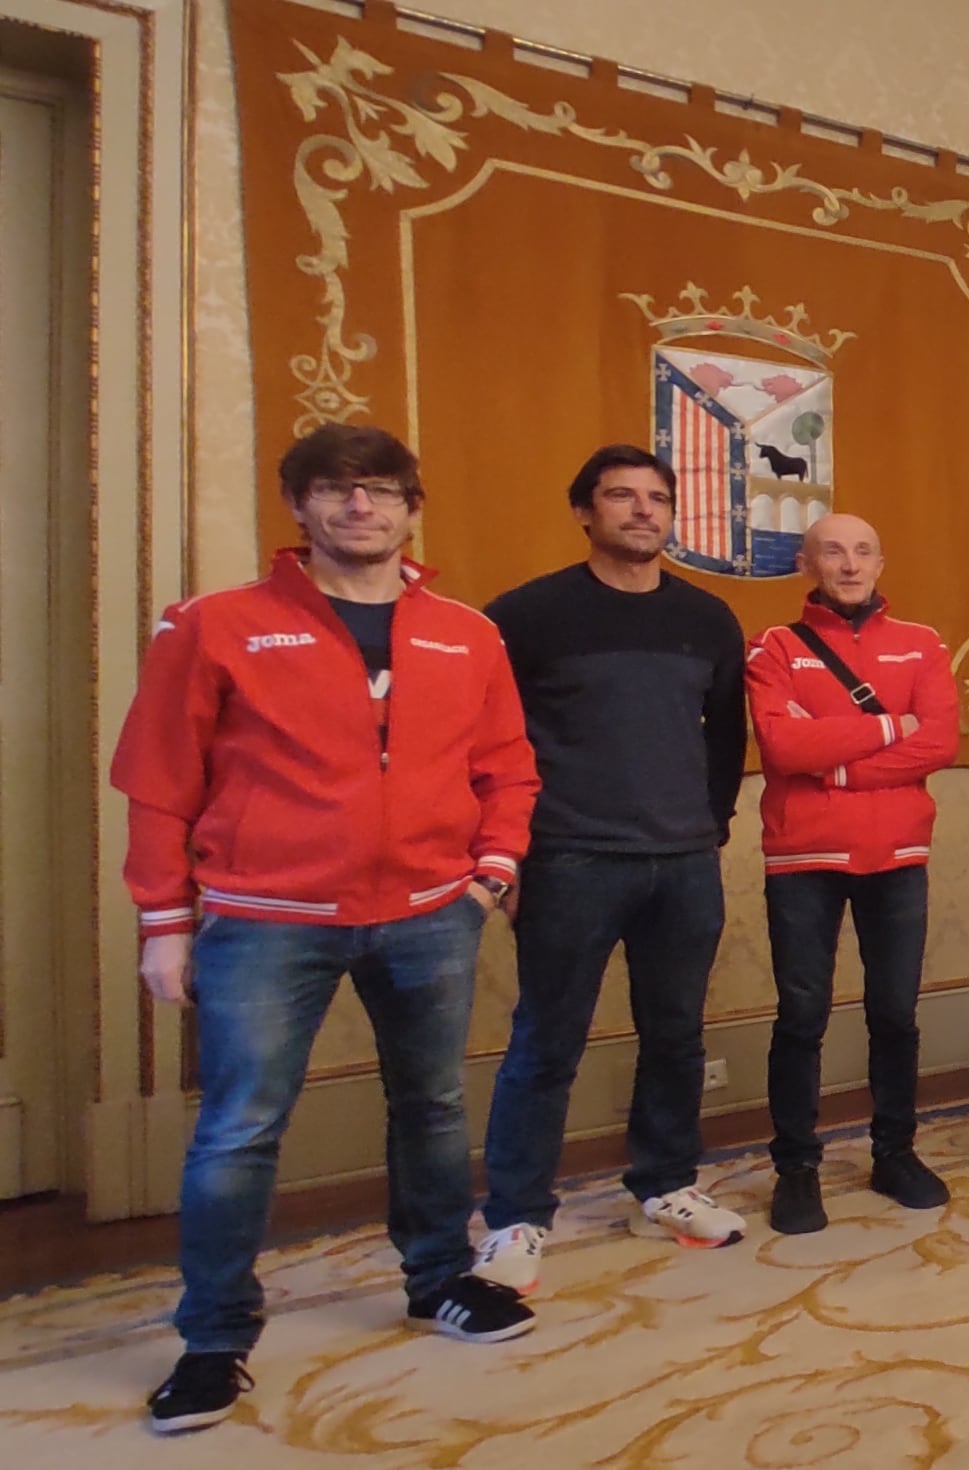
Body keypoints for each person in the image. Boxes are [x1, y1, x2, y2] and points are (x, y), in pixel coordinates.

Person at [113, 425, 541, 1432]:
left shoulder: (466, 631)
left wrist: (491, 872)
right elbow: (157, 777)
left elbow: (507, 763)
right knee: (239, 1129)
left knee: (431, 1108)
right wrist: (163, 923)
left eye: (382, 491)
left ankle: (439, 1278)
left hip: (431, 916)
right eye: (337, 491)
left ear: (409, 508)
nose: (361, 508)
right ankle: (214, 1340)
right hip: (267, 920)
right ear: (299, 507)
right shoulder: (212, 625)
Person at [475, 445, 752, 1294]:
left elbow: (726, 737)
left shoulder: (708, 618)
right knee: (546, 1040)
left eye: (657, 498)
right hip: (570, 857)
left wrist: (709, 828)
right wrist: (508, 853)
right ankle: (517, 1215)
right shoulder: (526, 616)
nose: (642, 511)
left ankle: (665, 1185)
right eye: (621, 497)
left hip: (681, 861)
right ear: (585, 511)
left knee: (676, 1034)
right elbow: (486, 742)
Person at [744, 514, 959, 1235]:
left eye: (864, 550)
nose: (849, 563)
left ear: (881, 562)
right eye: (833, 550)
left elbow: (939, 741)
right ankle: (797, 1168)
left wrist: (830, 760)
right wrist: (887, 726)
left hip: (898, 855)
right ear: (807, 562)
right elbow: (780, 743)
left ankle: (894, 1152)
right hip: (802, 857)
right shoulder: (774, 647)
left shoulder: (922, 644)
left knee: (895, 1012)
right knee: (802, 1016)